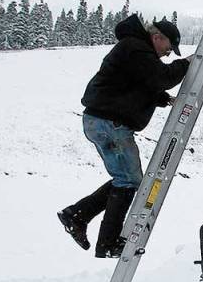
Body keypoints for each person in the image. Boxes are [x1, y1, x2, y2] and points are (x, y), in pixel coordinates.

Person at [57, 14, 190, 258]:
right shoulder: (136, 48)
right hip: (109, 123)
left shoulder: (136, 49)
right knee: (129, 181)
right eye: (168, 49)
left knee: (126, 179)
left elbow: (138, 82)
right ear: (157, 37)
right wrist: (188, 63)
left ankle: (77, 215)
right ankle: (105, 242)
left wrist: (161, 98)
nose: (167, 55)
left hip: (103, 121)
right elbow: (160, 77)